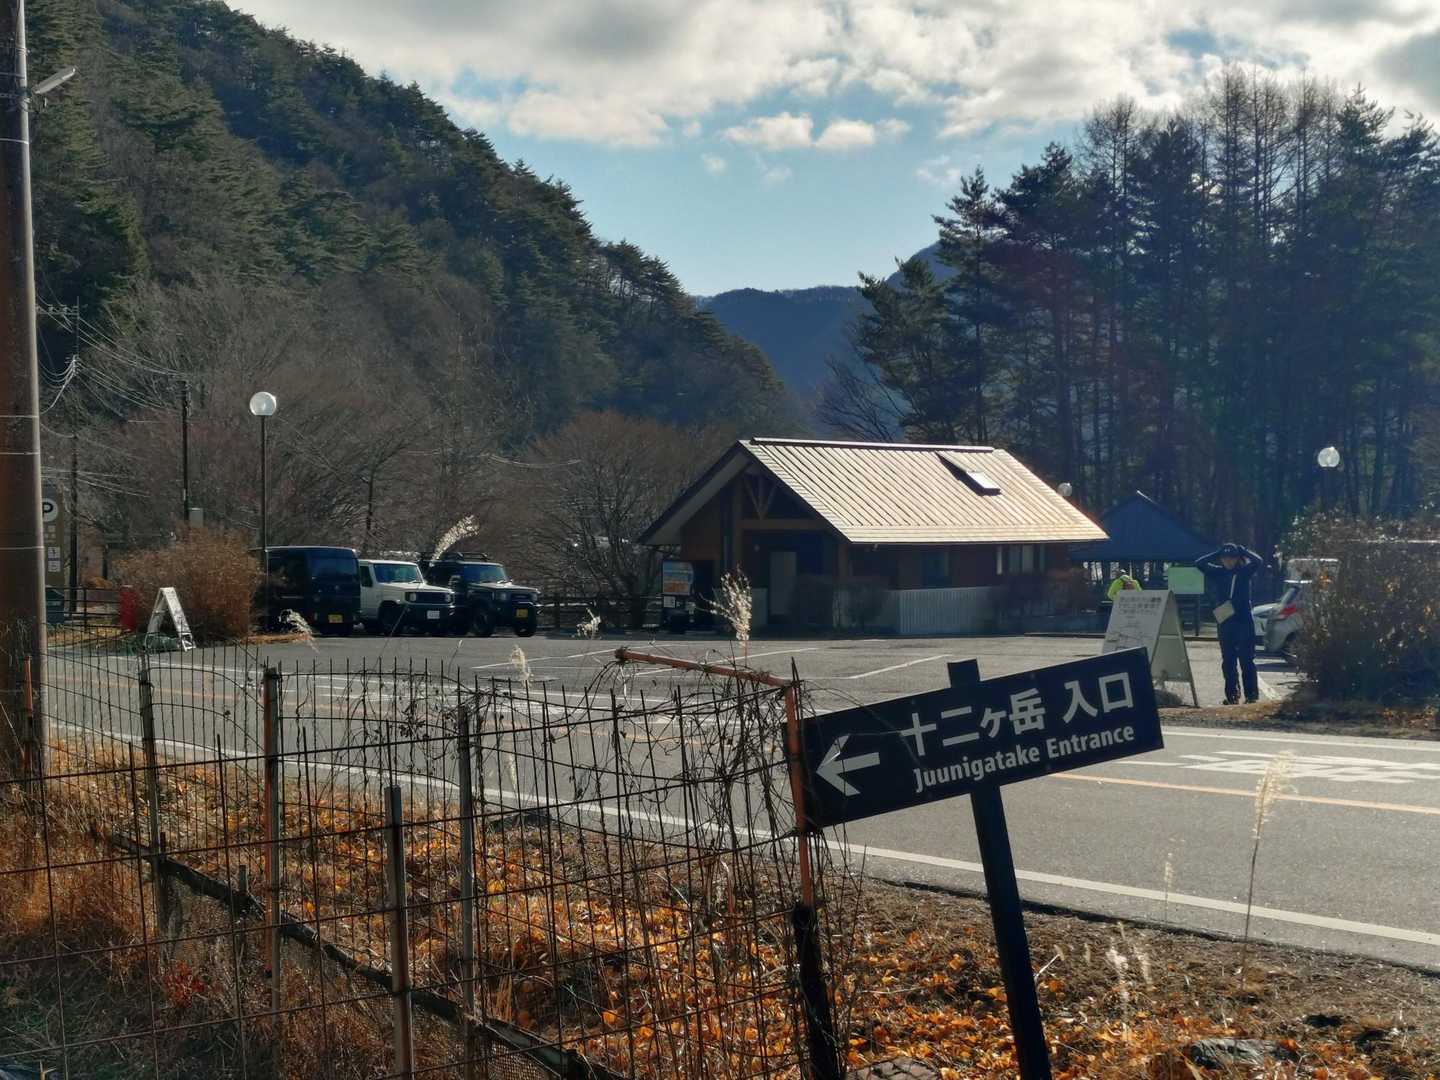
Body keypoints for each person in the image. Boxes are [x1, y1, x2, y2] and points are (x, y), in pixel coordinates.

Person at [1195, 542, 1265, 704]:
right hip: (1225, 621)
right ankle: (1232, 695)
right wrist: (1217, 553)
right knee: (1228, 660)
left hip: (1243, 621)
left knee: (1246, 659)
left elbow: (1258, 561)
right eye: (1225, 558)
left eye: (1232, 557)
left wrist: (1244, 551)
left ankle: (1251, 695)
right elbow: (1199, 563)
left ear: (1237, 558)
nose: (1228, 561)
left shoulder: (1244, 572)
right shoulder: (1218, 572)